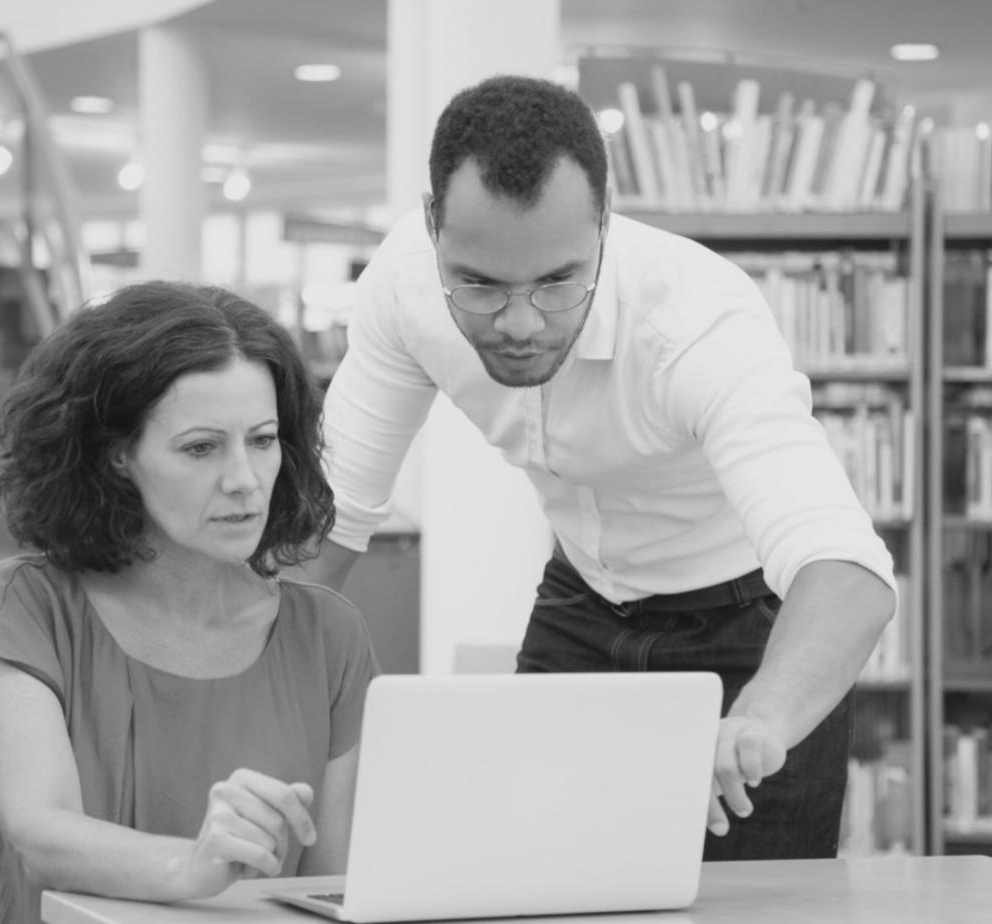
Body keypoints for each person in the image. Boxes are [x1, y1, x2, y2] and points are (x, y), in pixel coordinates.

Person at [298, 75, 897, 861]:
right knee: (524, 882)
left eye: (556, 281)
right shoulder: (403, 285)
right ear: (431, 222)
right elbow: (328, 521)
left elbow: (848, 575)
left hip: (751, 628)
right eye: (479, 284)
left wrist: (758, 720)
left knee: (756, 907)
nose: (519, 324)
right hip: (581, 600)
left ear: (604, 221)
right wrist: (230, 677)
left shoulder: (696, 325)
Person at [0, 282, 378, 924]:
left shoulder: (330, 633)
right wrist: (193, 866)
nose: (244, 480)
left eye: (262, 439)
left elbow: (333, 888)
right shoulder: (21, 605)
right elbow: (42, 837)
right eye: (201, 447)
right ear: (117, 456)